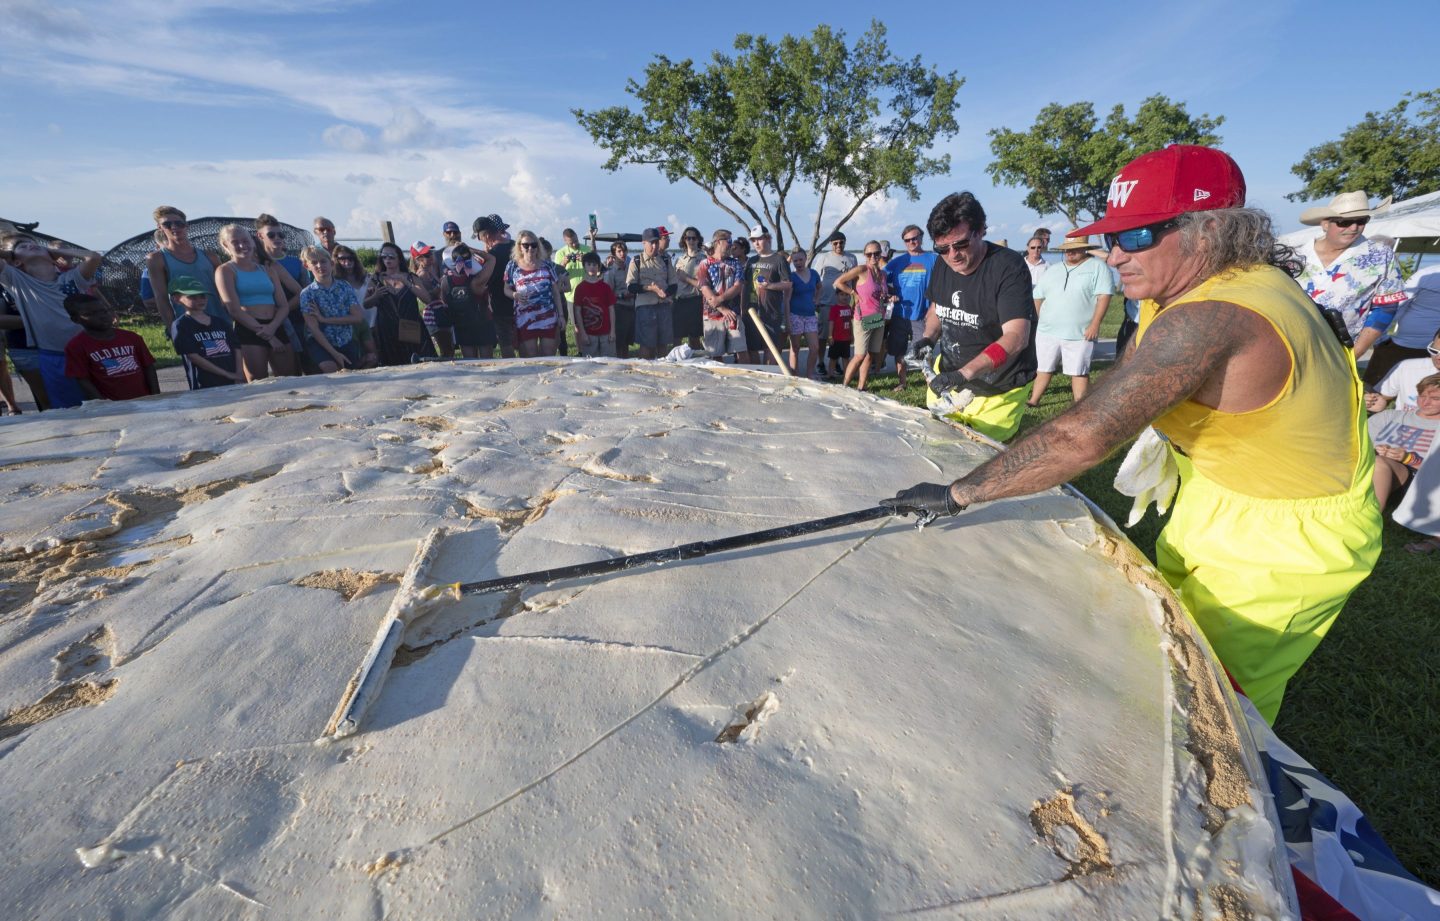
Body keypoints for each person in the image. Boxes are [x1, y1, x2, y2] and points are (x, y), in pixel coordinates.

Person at [884, 145, 1382, 725]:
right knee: (1170, 653)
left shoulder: (1211, 316)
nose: (1115, 255)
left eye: (1137, 236)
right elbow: (1129, 379)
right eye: (1112, 237)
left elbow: (1082, 438)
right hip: (1222, 494)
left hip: (1286, 539)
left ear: (1211, 230)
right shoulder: (1200, 286)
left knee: (1212, 704)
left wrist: (955, 495)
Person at [903, 193, 1036, 442]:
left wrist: (964, 374)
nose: (952, 254)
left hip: (998, 388)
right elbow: (937, 308)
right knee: (939, 446)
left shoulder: (1008, 267)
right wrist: (929, 338)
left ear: (981, 230)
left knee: (982, 462)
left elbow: (1017, 337)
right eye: (942, 248)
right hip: (948, 377)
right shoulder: (943, 264)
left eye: (961, 244)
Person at [1293, 191, 1407, 362]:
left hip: (1338, 354)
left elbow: (1385, 309)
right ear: (1325, 224)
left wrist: (1353, 356)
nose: (1354, 228)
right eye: (1345, 222)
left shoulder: (1381, 256)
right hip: (1287, 346)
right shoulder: (1293, 255)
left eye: (1361, 221)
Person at [0, 233, 102, 409]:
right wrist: (11, 254)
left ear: (54, 258)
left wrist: (52, 250)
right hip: (53, 354)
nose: (31, 246)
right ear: (16, 262)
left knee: (101, 399)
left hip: (88, 350)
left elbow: (93, 257)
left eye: (37, 245)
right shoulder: (18, 281)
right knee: (65, 408)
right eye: (22, 247)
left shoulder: (72, 278)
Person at [1028, 233, 1113, 405]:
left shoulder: (1098, 267)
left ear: (1085, 249)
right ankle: (1033, 400)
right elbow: (1037, 296)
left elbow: (1104, 296)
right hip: (1047, 331)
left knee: (1079, 371)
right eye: (1067, 250)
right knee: (1043, 367)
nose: (1070, 253)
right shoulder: (1053, 269)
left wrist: (1095, 324)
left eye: (1075, 249)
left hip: (1080, 333)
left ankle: (1080, 405)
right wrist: (1037, 321)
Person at [214, 223, 295, 381]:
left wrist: (272, 328)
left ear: (252, 241)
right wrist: (268, 336)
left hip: (275, 325)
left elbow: (284, 306)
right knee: (258, 383)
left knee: (289, 380)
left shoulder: (267, 269)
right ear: (225, 245)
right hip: (249, 330)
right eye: (235, 242)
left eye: (245, 240)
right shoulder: (225, 270)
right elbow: (234, 309)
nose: (242, 245)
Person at [62, 293, 158, 401]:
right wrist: (103, 404)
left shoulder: (132, 338)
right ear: (76, 319)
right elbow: (82, 380)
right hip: (112, 407)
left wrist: (155, 396)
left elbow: (148, 367)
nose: (102, 316)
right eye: (91, 314)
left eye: (104, 311)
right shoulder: (76, 346)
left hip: (145, 401)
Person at [1369, 373, 1440, 509]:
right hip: (1372, 467)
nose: (1425, 402)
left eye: (1435, 398)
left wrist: (1408, 458)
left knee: (1379, 463)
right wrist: (1374, 450)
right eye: (1422, 396)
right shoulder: (1389, 416)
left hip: (1416, 481)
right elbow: (1355, 445)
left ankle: (1370, 517)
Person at [1367, 261, 1440, 386]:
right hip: (1432, 348)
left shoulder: (1426, 273)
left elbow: (1398, 305)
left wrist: (1381, 338)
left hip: (1405, 343)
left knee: (1374, 387)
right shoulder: (1426, 274)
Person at [365, 241, 435, 366]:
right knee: (393, 366)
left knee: (419, 363)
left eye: (391, 257)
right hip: (387, 328)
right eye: (384, 256)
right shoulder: (376, 278)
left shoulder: (411, 277)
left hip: (410, 325)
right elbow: (365, 304)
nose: (387, 260)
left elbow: (427, 299)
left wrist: (406, 282)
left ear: (399, 258)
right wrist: (375, 296)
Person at [885, 225, 938, 390]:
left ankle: (930, 383)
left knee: (923, 351)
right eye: (907, 240)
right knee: (899, 351)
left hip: (923, 314)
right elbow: (880, 280)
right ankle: (902, 382)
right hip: (900, 314)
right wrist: (889, 295)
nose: (911, 242)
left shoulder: (934, 259)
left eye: (914, 238)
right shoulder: (897, 262)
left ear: (922, 238)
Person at [833, 242, 891, 391]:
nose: (873, 257)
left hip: (878, 317)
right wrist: (853, 293)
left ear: (881, 255)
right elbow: (838, 282)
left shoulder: (883, 274)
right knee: (859, 355)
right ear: (864, 255)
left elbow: (881, 295)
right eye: (869, 254)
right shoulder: (861, 270)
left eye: (877, 253)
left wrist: (889, 298)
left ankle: (861, 387)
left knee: (871, 354)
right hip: (863, 317)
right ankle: (844, 386)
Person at [169, 274, 241, 389]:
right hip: (205, 384)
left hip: (233, 378)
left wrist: (239, 373)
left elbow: (236, 348)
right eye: (192, 297)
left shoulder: (220, 322)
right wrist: (226, 374)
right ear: (177, 299)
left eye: (202, 296)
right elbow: (193, 356)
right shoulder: (181, 325)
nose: (200, 300)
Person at [298, 246, 364, 373]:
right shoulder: (307, 294)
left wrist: (325, 319)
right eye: (314, 262)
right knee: (330, 368)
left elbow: (357, 317)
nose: (319, 265)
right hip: (321, 342)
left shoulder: (345, 287)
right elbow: (314, 328)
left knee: (352, 376)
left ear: (331, 263)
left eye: (323, 261)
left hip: (345, 339)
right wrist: (334, 354)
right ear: (307, 266)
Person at [255, 214, 308, 370]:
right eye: (271, 235)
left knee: (310, 368)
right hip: (271, 325)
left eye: (280, 234)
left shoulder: (296, 263)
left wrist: (283, 310)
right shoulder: (254, 264)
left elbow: (304, 293)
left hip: (299, 321)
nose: (277, 238)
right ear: (260, 236)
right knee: (287, 373)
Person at [504, 230, 562, 357]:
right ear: (519, 247)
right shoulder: (512, 266)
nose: (530, 248)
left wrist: (561, 316)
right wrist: (515, 295)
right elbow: (506, 289)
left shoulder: (547, 265)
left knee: (548, 356)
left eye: (534, 245)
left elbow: (556, 292)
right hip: (525, 318)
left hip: (548, 316)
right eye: (526, 245)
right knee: (531, 357)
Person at [440, 242, 497, 359]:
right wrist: (470, 248)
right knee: (488, 364)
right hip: (483, 322)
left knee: (470, 365)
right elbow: (491, 259)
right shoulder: (478, 280)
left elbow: (445, 302)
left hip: (461, 324)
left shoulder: (446, 282)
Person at [697, 231, 748, 363]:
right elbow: (705, 288)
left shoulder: (735, 263)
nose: (731, 245)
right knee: (715, 355)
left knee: (741, 350)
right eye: (728, 241)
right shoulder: (705, 264)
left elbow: (738, 286)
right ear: (719, 242)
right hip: (712, 315)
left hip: (733, 314)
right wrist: (722, 308)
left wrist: (719, 299)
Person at [627, 228, 677, 359]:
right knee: (646, 345)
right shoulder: (636, 261)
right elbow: (631, 287)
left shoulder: (665, 260)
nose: (654, 246)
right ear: (644, 243)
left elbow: (673, 284)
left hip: (664, 307)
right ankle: (645, 373)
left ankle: (663, 370)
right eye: (651, 243)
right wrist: (651, 288)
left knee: (663, 344)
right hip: (645, 308)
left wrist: (666, 293)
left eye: (656, 242)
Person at [812, 232, 856, 380]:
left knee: (841, 336)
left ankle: (835, 362)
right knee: (824, 335)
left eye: (841, 242)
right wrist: (815, 299)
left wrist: (855, 299)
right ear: (831, 244)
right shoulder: (824, 257)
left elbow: (855, 280)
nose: (839, 245)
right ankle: (820, 362)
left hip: (845, 304)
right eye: (835, 243)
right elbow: (815, 278)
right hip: (826, 302)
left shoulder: (851, 258)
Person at [472, 214, 517, 358]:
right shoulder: (518, 247)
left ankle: (514, 373)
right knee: (524, 341)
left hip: (500, 305)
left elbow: (484, 282)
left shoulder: (491, 256)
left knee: (506, 344)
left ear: (485, 236)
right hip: (522, 302)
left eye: (479, 237)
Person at [746, 225, 791, 365]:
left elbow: (788, 284)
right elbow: (744, 284)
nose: (756, 243)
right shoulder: (751, 260)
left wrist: (770, 286)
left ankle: (769, 375)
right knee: (752, 347)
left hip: (771, 311)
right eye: (753, 240)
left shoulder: (779, 260)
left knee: (770, 347)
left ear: (768, 238)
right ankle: (757, 376)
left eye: (759, 239)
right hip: (752, 310)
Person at [1368, 329, 1440, 412]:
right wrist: (1372, 401)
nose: (1438, 357)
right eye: (1434, 351)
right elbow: (1383, 396)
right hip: (1402, 423)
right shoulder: (1407, 368)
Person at [333, 245, 378, 368]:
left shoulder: (367, 278)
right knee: (360, 359)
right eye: (342, 258)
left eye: (350, 258)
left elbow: (376, 297)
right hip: (353, 326)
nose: (347, 261)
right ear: (336, 260)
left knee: (375, 357)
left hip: (373, 323)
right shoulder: (336, 282)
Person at [408, 242, 452, 358]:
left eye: (430, 253)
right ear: (418, 259)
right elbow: (428, 297)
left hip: (439, 310)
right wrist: (441, 285)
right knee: (446, 348)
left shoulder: (430, 270)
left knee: (448, 347)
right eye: (426, 255)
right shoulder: (421, 274)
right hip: (434, 313)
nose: (431, 256)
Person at [574, 252, 616, 357]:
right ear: (584, 266)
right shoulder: (580, 288)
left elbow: (611, 309)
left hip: (606, 333)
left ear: (598, 267)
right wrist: (582, 333)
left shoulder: (605, 287)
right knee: (590, 364)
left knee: (609, 362)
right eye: (589, 264)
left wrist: (612, 331)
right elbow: (578, 312)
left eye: (594, 265)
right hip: (588, 334)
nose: (592, 267)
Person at [786, 248, 821, 378]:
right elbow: (787, 299)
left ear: (806, 259)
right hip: (795, 315)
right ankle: (794, 376)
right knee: (795, 348)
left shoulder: (814, 273)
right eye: (795, 261)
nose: (798, 263)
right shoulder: (792, 277)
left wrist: (816, 300)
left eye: (800, 259)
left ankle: (809, 375)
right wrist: (788, 319)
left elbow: (819, 287)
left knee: (814, 347)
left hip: (810, 315)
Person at [672, 226, 707, 349]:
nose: (691, 241)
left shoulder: (703, 259)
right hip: (680, 301)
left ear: (698, 240)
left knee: (694, 337)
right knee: (677, 336)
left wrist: (686, 278)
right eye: (688, 238)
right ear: (684, 240)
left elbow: (705, 285)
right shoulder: (679, 260)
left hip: (695, 301)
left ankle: (696, 361)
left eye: (693, 238)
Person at [604, 240, 635, 359]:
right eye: (619, 251)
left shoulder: (631, 269)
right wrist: (622, 296)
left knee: (627, 341)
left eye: (624, 251)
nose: (622, 253)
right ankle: (618, 365)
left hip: (631, 308)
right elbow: (607, 295)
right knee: (618, 342)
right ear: (614, 254)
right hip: (618, 309)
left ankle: (626, 363)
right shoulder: (610, 273)